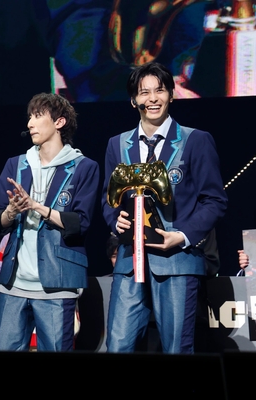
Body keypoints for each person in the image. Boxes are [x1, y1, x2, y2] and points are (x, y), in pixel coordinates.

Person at [102, 61, 227, 354]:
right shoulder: (117, 144)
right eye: (144, 92)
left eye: (159, 91)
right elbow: (109, 199)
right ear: (134, 100)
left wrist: (182, 236)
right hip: (129, 262)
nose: (152, 98)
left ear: (171, 94)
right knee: (117, 347)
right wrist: (115, 220)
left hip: (178, 261)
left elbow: (215, 200)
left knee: (176, 350)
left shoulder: (196, 140)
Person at [0, 92, 100, 352]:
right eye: (29, 117)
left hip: (57, 284)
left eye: (37, 116)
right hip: (14, 284)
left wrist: (37, 207)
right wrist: (11, 211)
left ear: (59, 122)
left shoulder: (84, 167)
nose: (30, 124)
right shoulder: (16, 165)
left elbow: (80, 223)